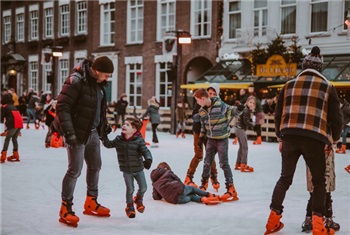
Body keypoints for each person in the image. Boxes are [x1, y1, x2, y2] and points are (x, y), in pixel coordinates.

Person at [264, 46, 342, 235]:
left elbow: (278, 113)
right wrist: (335, 139)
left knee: (285, 178)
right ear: (319, 68)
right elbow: (336, 118)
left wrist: (279, 135)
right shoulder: (327, 86)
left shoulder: (289, 85)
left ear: (303, 67)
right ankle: (317, 225)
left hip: (290, 135)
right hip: (314, 138)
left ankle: (272, 221)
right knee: (319, 181)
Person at [53, 56, 114, 227]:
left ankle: (91, 201)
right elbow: (62, 107)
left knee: (96, 166)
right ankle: (65, 207)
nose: (107, 79)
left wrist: (104, 126)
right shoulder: (76, 80)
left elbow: (98, 110)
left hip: (93, 133)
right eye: (106, 75)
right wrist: (69, 133)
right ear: (97, 71)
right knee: (75, 170)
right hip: (77, 133)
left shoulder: (98, 85)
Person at [194, 88, 244, 201]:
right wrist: (201, 138)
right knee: (207, 162)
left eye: (197, 100)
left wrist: (239, 109)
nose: (197, 103)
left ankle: (231, 189)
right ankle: (204, 184)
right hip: (210, 139)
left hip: (222, 139)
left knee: (223, 163)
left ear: (203, 98)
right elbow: (203, 125)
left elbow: (232, 110)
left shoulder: (220, 105)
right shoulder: (202, 111)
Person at [101, 117, 153, 219]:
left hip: (138, 168)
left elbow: (145, 151)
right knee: (130, 189)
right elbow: (108, 144)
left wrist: (148, 160)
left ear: (134, 130)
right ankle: (129, 207)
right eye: (124, 124)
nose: (124, 126)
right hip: (127, 170)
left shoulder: (138, 140)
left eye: (127, 125)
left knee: (143, 187)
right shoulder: (119, 140)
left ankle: (138, 199)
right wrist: (104, 135)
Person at [184, 83, 221, 191]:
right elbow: (194, 116)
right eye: (210, 93)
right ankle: (189, 177)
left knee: (210, 155)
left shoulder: (216, 104)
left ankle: (213, 176)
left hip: (210, 133)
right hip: (198, 131)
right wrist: (202, 111)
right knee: (199, 154)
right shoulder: (200, 101)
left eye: (214, 93)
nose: (212, 95)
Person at [301, 146, 340, 233]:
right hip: (325, 148)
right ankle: (327, 219)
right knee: (325, 190)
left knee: (314, 191)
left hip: (310, 148)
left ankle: (309, 219)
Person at [151, 162, 221, 205]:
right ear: (167, 168)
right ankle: (209, 195)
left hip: (176, 200)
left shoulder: (154, 183)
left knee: (190, 197)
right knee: (191, 189)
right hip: (178, 190)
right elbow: (178, 181)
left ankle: (202, 199)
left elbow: (156, 197)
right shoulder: (168, 172)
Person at [234, 95, 256, 172]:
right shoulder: (246, 110)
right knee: (245, 147)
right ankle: (243, 164)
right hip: (240, 129)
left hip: (237, 128)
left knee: (241, 147)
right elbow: (246, 121)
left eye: (253, 103)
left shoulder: (246, 109)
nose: (252, 104)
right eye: (250, 102)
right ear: (247, 102)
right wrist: (253, 125)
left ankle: (238, 164)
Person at [1, 93, 23, 163]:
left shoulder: (4, 107)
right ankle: (16, 155)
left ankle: (3, 155)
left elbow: (1, 117)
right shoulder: (13, 106)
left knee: (7, 139)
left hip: (13, 124)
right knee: (14, 139)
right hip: (19, 123)